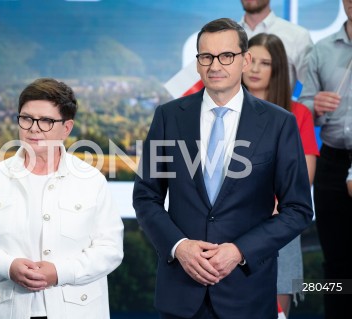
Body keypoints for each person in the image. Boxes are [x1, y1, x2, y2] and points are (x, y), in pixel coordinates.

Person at [133, 18, 313, 319]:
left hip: (248, 292)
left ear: (245, 60)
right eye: (206, 57)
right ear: (198, 63)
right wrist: (180, 247)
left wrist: (240, 251)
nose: (215, 65)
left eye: (226, 56)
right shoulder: (168, 117)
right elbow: (145, 196)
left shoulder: (280, 123)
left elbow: (297, 209)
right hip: (181, 291)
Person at [0, 78, 124, 319]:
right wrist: (8, 267)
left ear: (67, 128)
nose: (33, 128)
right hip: (8, 308)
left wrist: (59, 272)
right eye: (26, 118)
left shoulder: (91, 180)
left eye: (46, 121)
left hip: (77, 309)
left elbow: (110, 250)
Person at [242, 32, 319, 317]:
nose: (254, 69)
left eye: (265, 63)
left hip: (279, 221)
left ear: (278, 69)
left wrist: (275, 209)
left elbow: (305, 172)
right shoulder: (224, 110)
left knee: (277, 310)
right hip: (232, 222)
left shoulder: (298, 113)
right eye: (250, 60)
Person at [299, 1, 352, 317]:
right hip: (331, 161)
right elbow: (304, 107)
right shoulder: (321, 50)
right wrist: (315, 105)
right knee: (335, 259)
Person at [239, 0, 313, 94]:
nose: (255, 69)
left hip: (281, 105)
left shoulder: (298, 36)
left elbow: (312, 89)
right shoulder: (227, 35)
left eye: (265, 63)